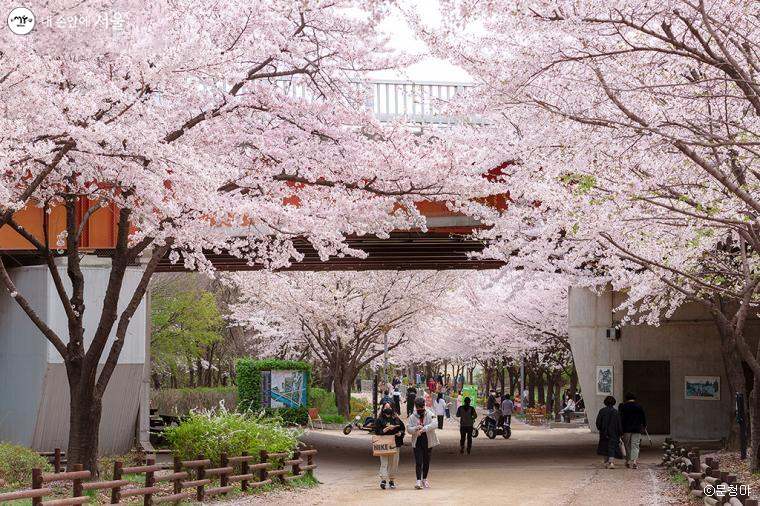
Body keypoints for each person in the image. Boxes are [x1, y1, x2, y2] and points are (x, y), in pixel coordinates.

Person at [407, 397, 438, 489]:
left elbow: (435, 424)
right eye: (418, 408)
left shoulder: (430, 414)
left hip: (428, 440)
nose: (420, 410)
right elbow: (408, 428)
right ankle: (418, 481)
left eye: (422, 407)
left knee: (426, 461)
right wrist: (415, 429)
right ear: (416, 407)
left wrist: (424, 429)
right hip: (417, 441)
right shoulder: (412, 416)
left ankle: (424, 479)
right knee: (418, 461)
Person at [374, 402, 405, 490]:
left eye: (389, 407)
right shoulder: (379, 420)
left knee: (394, 462)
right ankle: (383, 480)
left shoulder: (396, 419)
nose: (388, 409)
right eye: (386, 407)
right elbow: (377, 432)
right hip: (383, 444)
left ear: (392, 408)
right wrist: (387, 428)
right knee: (384, 462)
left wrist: (400, 433)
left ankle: (392, 480)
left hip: (395, 443)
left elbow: (402, 429)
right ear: (383, 409)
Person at [619, 392, 647, 469]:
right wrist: (644, 425)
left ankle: (627, 461)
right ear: (634, 398)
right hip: (637, 429)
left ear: (626, 398)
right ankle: (634, 461)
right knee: (635, 445)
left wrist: (620, 429)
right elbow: (643, 417)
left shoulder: (623, 407)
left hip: (626, 429)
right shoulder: (639, 406)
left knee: (627, 445)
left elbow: (621, 418)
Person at [596, 395, 624, 469]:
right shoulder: (616, 412)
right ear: (614, 403)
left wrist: (600, 429)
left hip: (603, 432)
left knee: (604, 447)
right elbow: (619, 424)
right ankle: (611, 462)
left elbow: (598, 423)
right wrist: (620, 433)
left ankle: (606, 463)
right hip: (614, 433)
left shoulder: (601, 411)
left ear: (605, 402)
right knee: (612, 447)